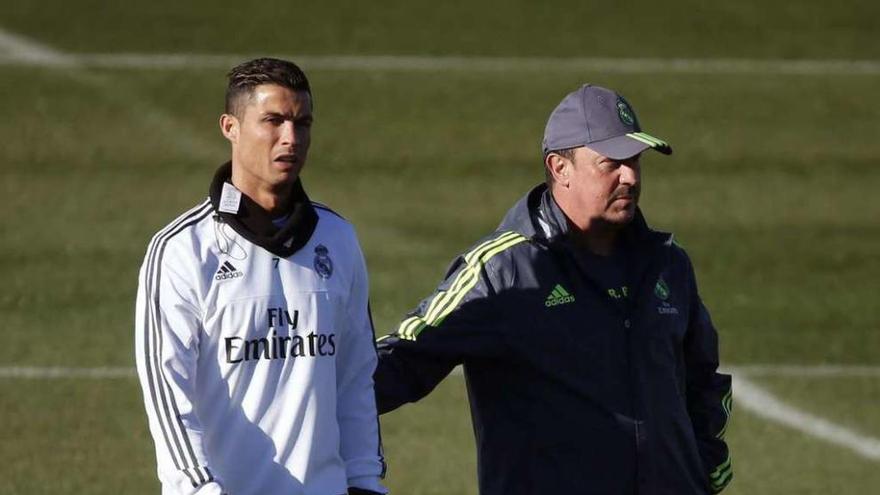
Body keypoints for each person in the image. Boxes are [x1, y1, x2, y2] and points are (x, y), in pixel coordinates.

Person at [374, 84, 732, 495]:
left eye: (634, 160)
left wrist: (704, 469)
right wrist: (303, 399)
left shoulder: (667, 262)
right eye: (610, 163)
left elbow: (703, 379)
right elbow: (402, 360)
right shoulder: (505, 271)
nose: (630, 176)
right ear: (560, 168)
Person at [135, 58, 386, 495]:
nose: (290, 138)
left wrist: (364, 481)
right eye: (273, 121)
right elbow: (167, 394)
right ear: (230, 126)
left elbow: (355, 378)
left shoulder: (338, 240)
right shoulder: (182, 251)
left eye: (302, 123)